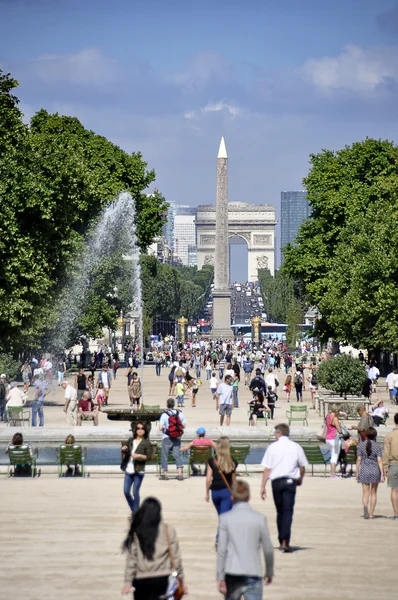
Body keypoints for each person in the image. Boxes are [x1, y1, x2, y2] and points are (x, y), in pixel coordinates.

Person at [217, 480, 274, 600]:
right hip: (253, 571)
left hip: (232, 572)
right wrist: (269, 570)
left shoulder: (225, 518)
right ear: (249, 497)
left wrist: (220, 576)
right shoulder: (260, 518)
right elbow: (268, 548)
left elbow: (221, 550)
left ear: (232, 497)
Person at [121, 497, 187, 600]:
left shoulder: (137, 531)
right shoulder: (168, 530)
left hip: (141, 580)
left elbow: (131, 559)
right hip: (163, 579)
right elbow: (176, 558)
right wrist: (181, 580)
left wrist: (128, 582)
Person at [260, 423, 308, 552]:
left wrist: (262, 486)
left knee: (280, 511)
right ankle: (285, 539)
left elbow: (267, 469)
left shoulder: (272, 447)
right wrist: (300, 478)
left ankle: (282, 539)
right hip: (290, 481)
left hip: (276, 482)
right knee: (288, 511)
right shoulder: (296, 447)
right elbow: (302, 467)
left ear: (279, 433)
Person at [206, 437, 237, 543]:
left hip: (215, 492)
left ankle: (223, 537)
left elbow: (208, 479)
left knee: (222, 516)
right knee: (224, 517)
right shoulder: (232, 461)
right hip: (226, 492)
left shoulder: (212, 460)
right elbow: (233, 479)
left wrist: (206, 493)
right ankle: (220, 539)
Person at [121, 422, 153, 513]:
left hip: (139, 470)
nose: (139, 430)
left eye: (142, 428)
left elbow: (149, 457)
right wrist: (124, 449)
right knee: (126, 492)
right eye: (138, 428)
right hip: (129, 469)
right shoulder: (131, 440)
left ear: (145, 431)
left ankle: (136, 512)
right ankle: (134, 508)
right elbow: (126, 451)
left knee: (135, 492)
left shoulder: (146, 443)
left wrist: (140, 456)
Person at [356, 427, 384, 519]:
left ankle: (365, 507)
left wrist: (357, 472)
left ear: (366, 435)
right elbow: (379, 461)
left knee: (365, 493)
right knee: (373, 493)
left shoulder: (360, 445)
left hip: (364, 470)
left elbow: (359, 460)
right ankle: (371, 514)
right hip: (375, 471)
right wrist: (382, 474)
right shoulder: (378, 446)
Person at [158, 398, 185, 481]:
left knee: (165, 455)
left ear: (167, 405)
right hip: (177, 437)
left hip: (167, 437)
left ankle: (165, 474)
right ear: (174, 404)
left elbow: (160, 428)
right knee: (177, 455)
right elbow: (183, 425)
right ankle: (180, 474)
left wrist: (165, 428)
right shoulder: (179, 413)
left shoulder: (164, 415)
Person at [382, 412, 398, 518]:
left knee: (394, 489)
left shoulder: (389, 435)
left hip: (393, 464)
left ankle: (396, 512)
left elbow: (386, 452)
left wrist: (384, 467)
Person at [325, 404, 343, 479]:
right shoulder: (335, 418)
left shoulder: (328, 416)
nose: (339, 412)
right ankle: (333, 474)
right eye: (339, 410)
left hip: (328, 438)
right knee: (334, 456)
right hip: (334, 438)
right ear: (336, 410)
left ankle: (332, 472)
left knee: (333, 455)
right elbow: (339, 430)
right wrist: (341, 427)